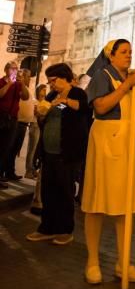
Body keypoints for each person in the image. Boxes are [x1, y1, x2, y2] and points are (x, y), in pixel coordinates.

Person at [81, 39, 135, 284]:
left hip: (128, 143)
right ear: (111, 56)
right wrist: (126, 86)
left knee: (125, 203)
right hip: (106, 141)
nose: (128, 56)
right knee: (97, 201)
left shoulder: (132, 77)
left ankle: (124, 261)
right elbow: (100, 107)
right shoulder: (103, 75)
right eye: (123, 52)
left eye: (130, 51)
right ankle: (92, 262)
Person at [26, 63, 89, 245]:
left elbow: (84, 108)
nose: (50, 84)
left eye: (53, 80)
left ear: (64, 77)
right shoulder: (52, 95)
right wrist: (41, 114)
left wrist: (66, 101)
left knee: (64, 192)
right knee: (48, 192)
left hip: (66, 153)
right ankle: (47, 228)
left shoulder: (77, 93)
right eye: (49, 80)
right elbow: (49, 118)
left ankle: (64, 230)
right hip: (49, 152)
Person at [0, 62, 29, 186]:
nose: (15, 71)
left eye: (16, 69)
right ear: (6, 69)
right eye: (13, 68)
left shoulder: (18, 84)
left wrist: (22, 83)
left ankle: (2, 174)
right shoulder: (1, 82)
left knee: (7, 147)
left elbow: (25, 97)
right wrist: (10, 83)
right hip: (1, 117)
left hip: (13, 119)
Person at [25, 84, 47, 179]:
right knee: (32, 149)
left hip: (42, 127)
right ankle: (28, 171)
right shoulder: (35, 101)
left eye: (46, 90)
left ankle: (33, 169)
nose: (44, 92)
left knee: (37, 151)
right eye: (43, 90)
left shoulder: (45, 102)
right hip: (35, 125)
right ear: (38, 91)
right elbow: (36, 113)